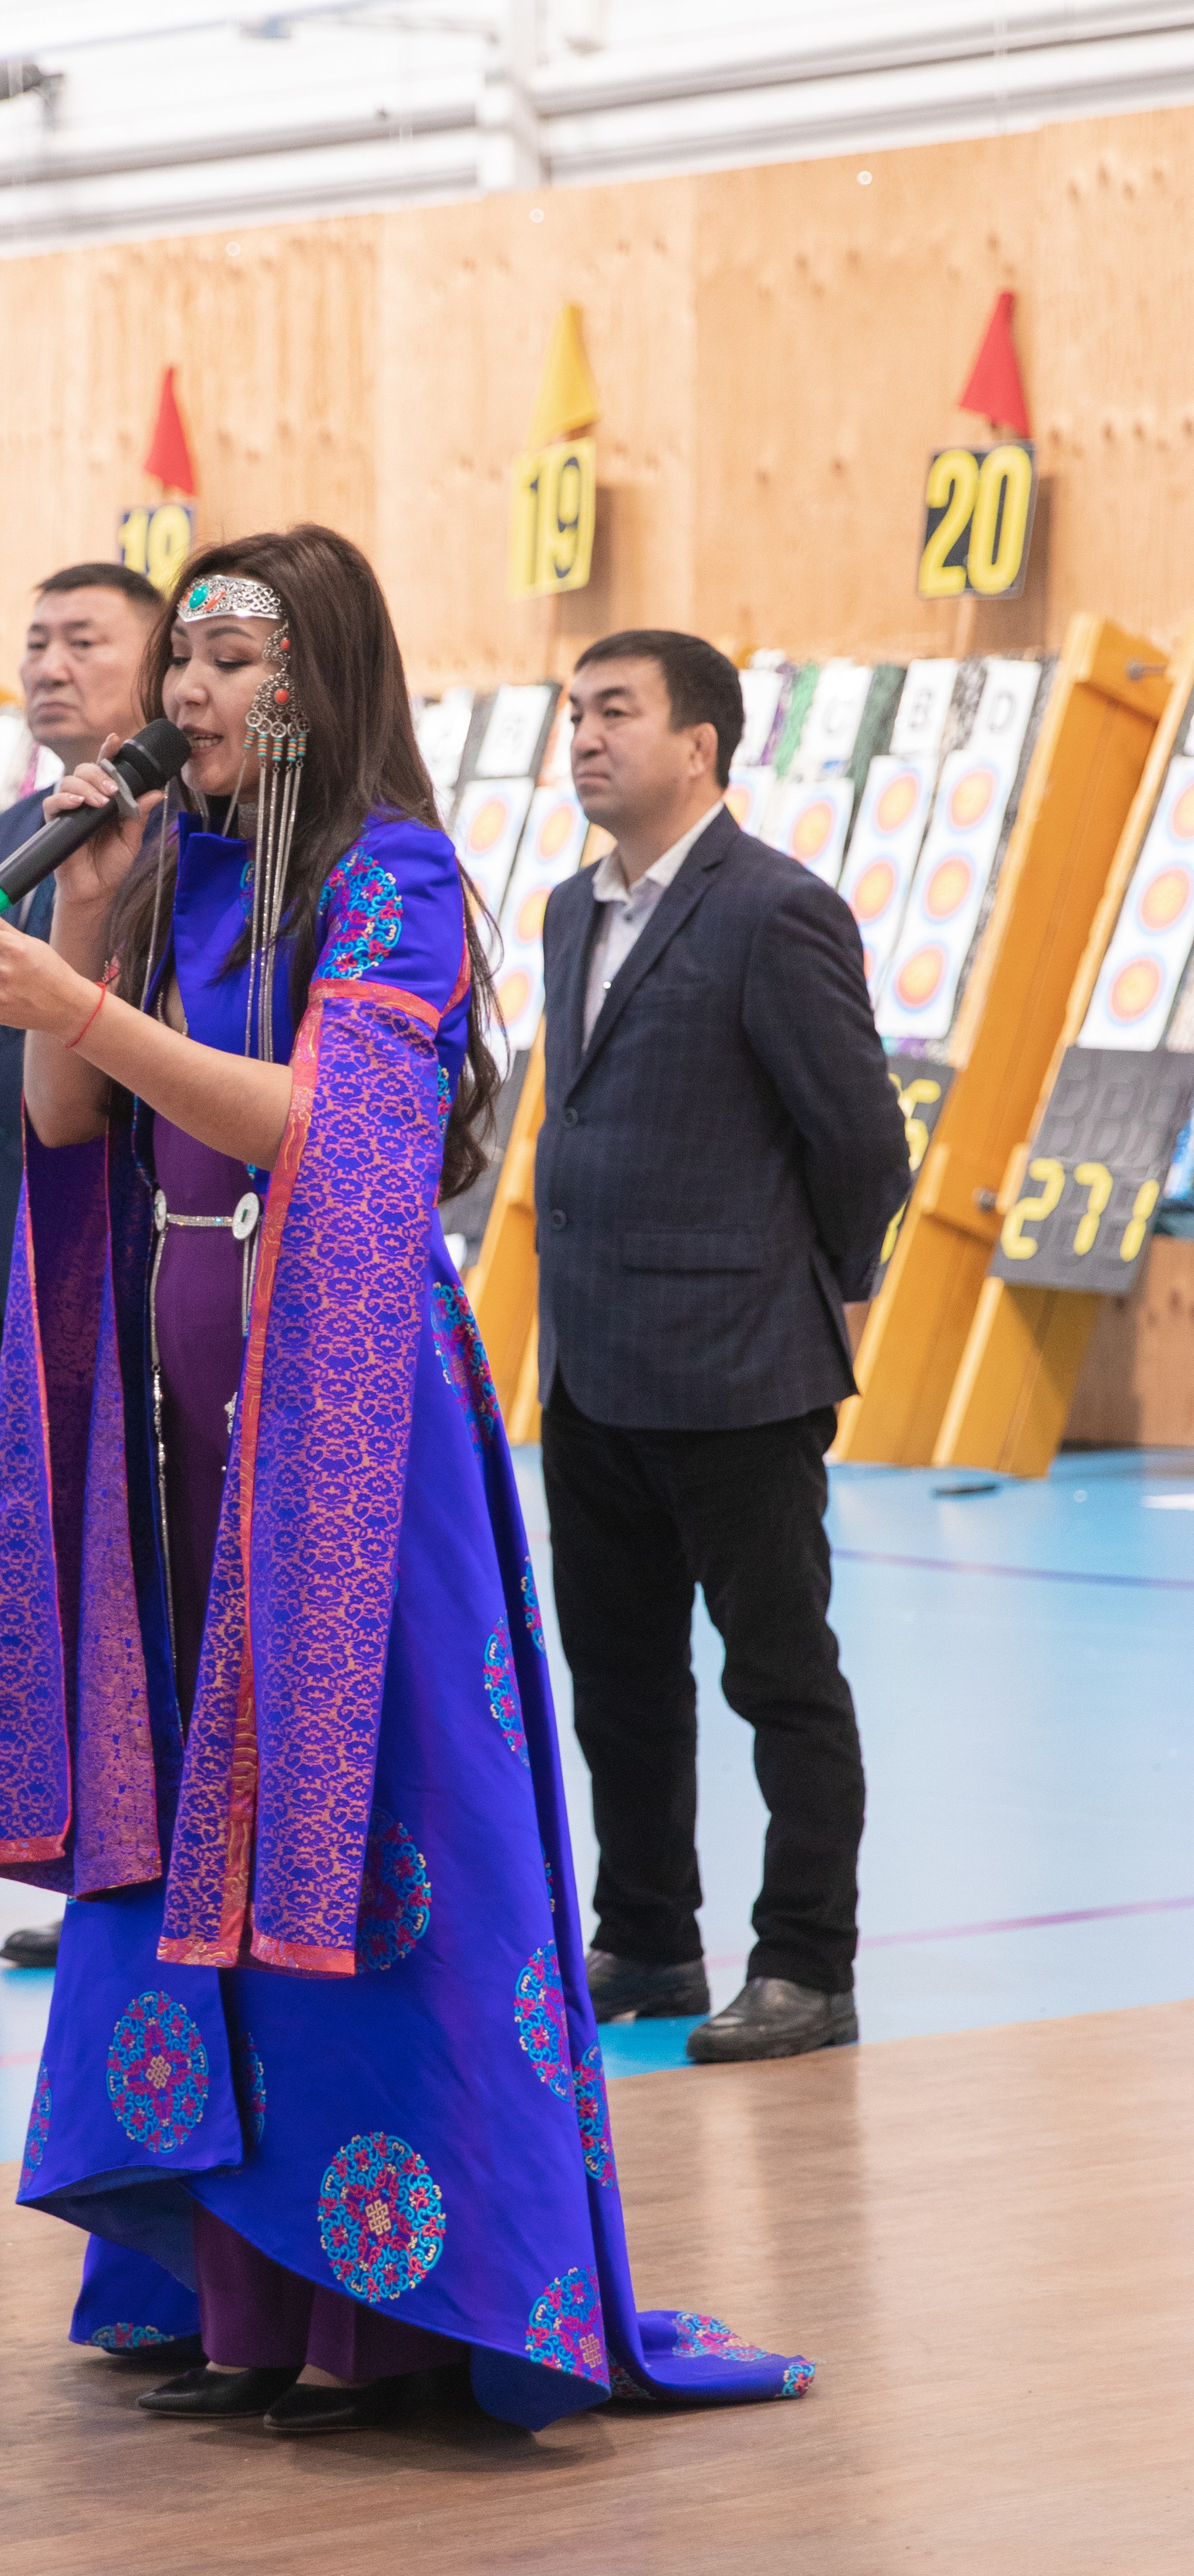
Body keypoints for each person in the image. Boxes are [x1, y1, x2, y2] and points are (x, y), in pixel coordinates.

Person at [0, 527, 813, 2436]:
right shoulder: (161, 873)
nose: (184, 696)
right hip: (172, 1446)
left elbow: (324, 1135)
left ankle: (396, 2306)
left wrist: (77, 1007)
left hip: (338, 1436)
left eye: (229, 662)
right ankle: (230, 2285)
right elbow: (71, 1122)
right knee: (192, 1838)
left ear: (316, 686)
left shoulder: (393, 879)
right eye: (184, 660)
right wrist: (78, 923)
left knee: (371, 1841)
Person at [536, 630, 909, 2065]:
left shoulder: (774, 910)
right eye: (575, 712)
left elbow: (862, 1141)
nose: (585, 736)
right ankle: (645, 1939)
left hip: (743, 1370)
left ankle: (809, 1964)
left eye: (616, 712)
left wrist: (818, 1285)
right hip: (591, 1370)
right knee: (617, 1675)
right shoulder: (574, 910)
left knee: (779, 1677)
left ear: (701, 743)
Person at [0, 558, 163, 1971]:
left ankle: (167, 1868)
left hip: (150, 1254)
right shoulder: (11, 833)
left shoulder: (200, 828)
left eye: (88, 639)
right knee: (69, 1586)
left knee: (156, 1587)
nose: (53, 664)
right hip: (27, 1256)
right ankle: (103, 1874)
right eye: (35, 641)